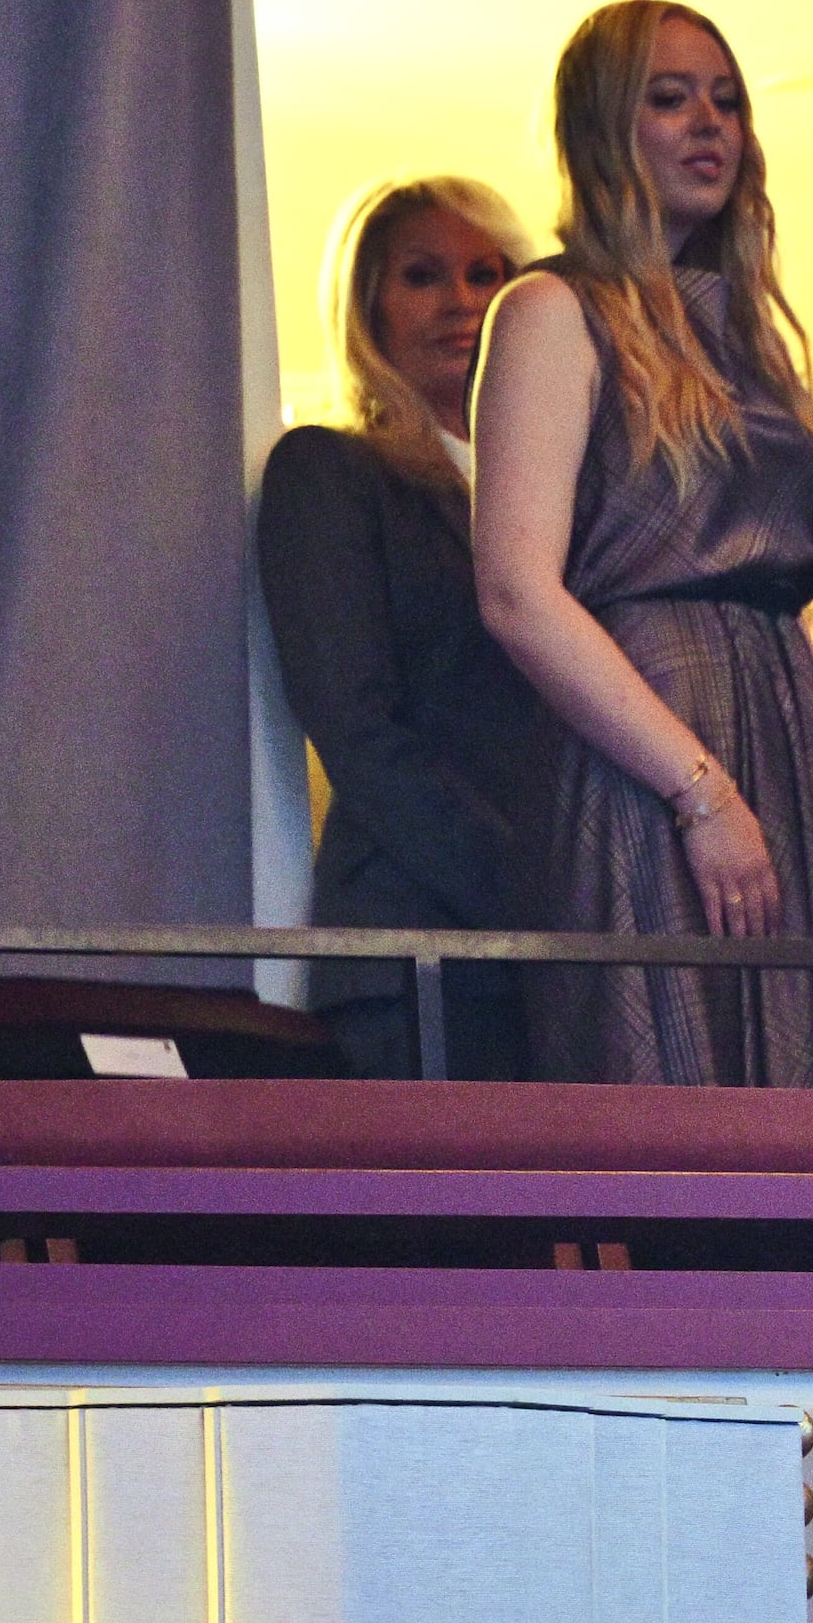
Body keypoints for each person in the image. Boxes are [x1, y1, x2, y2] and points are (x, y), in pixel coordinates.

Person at [472, 0, 813, 1087]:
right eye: (669, 98)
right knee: (672, 1086)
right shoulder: (551, 309)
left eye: (727, 101)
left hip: (778, 722)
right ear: (605, 125)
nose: (710, 124)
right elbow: (516, 593)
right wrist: (699, 789)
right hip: (648, 746)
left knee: (802, 1098)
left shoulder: (743, 328)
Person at [258, 174, 545, 1079]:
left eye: (486, 274)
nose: (462, 300)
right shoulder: (331, 473)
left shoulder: (563, 498)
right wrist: (534, 889)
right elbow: (356, 729)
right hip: (419, 946)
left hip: (563, 957)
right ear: (366, 306)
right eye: (423, 275)